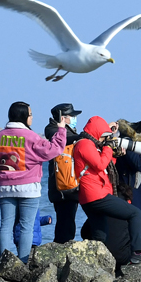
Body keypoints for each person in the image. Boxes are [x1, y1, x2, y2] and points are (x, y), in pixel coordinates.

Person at [73, 116, 141, 265]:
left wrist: (116, 154)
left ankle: (95, 265)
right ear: (96, 132)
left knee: (100, 235)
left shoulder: (92, 145)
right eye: (104, 135)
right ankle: (138, 252)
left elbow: (105, 165)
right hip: (95, 194)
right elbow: (99, 165)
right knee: (134, 213)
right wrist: (108, 147)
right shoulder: (85, 144)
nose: (105, 139)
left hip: (91, 195)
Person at [0, 101, 66, 263]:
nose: (32, 117)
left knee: (5, 226)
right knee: (26, 227)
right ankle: (22, 263)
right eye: (30, 114)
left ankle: (4, 262)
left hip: (5, 187)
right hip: (28, 189)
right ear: (24, 116)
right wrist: (61, 130)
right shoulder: (31, 136)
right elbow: (53, 150)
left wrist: (2, 179)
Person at [45, 103, 82, 243]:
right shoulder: (51, 129)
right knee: (65, 221)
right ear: (63, 117)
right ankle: (61, 249)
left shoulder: (70, 131)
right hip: (60, 186)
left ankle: (62, 247)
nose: (74, 118)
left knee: (69, 220)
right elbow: (62, 140)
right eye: (72, 116)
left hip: (70, 183)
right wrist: (80, 137)